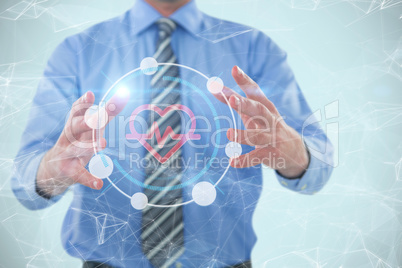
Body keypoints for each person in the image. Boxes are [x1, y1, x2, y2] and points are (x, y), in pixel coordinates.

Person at [11, 0, 334, 267]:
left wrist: (293, 152)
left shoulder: (253, 48)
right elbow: (25, 184)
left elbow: (317, 168)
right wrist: (53, 170)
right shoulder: (77, 51)